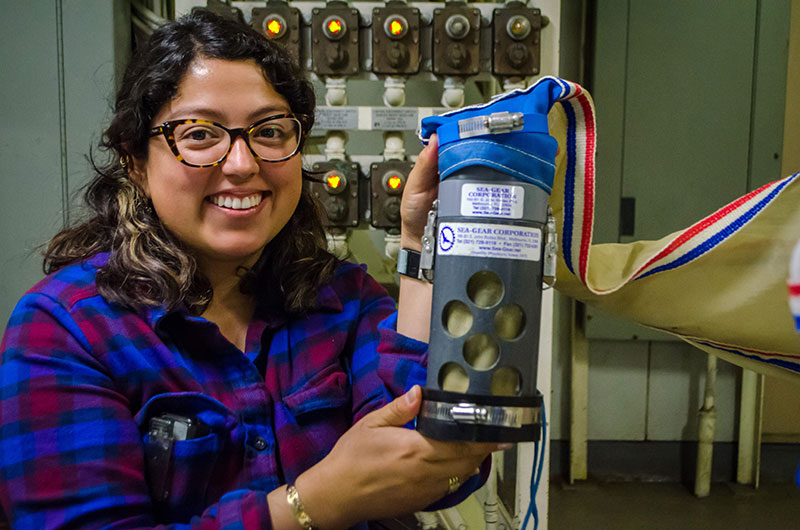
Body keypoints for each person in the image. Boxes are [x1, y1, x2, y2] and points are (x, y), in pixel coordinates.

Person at [0, 10, 504, 529]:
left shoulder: (344, 300)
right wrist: (316, 502)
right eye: (199, 134)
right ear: (135, 161)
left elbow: (442, 464)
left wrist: (421, 247)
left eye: (269, 131)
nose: (241, 163)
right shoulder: (65, 329)